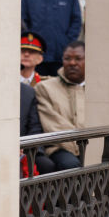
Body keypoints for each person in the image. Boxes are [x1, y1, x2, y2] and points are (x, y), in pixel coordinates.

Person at [21, 0, 82, 76]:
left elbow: (76, 21)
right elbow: (23, 22)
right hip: (35, 55)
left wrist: (66, 43)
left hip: (61, 55)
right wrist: (30, 45)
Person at [34, 41, 86, 171]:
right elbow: (53, 125)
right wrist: (81, 147)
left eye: (78, 59)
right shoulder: (45, 88)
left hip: (91, 145)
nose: (72, 63)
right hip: (60, 148)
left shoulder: (99, 89)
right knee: (71, 164)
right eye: (67, 58)